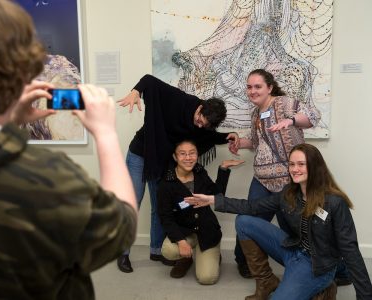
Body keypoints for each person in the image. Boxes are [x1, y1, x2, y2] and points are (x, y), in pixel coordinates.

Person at [0, 1, 137, 299]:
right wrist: (106, 135)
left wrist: (8, 119)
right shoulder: (45, 180)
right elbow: (122, 227)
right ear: (23, 71)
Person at [186, 143, 372, 300]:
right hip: (292, 249)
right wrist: (212, 200)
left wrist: (365, 296)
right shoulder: (288, 193)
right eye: (292, 164)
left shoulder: (334, 202)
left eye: (301, 164)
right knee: (244, 221)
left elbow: (350, 249)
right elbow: (252, 207)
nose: (295, 169)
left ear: (315, 167)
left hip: (316, 266)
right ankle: (267, 281)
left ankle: (324, 288)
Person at [116, 74, 239, 273]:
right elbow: (149, 80)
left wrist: (227, 137)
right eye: (199, 120)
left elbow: (207, 136)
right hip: (141, 153)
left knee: (159, 206)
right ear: (200, 107)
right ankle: (123, 253)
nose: (199, 126)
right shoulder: (180, 99)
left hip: (162, 160)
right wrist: (135, 92)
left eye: (203, 125)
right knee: (133, 202)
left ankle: (156, 250)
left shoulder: (203, 125)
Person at [230, 68, 321, 278]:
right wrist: (239, 143)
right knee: (249, 220)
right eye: (249, 87)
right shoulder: (256, 114)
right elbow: (255, 142)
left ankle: (315, 266)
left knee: (294, 227)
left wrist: (291, 121)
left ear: (269, 87)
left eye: (258, 86)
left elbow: (313, 115)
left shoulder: (283, 103)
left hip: (289, 181)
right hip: (261, 180)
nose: (252, 91)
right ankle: (244, 262)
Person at [157, 140, 244, 284]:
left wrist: (223, 168)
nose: (188, 157)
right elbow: (165, 217)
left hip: (206, 230)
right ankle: (186, 258)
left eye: (192, 153)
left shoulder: (200, 172)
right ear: (175, 157)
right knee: (168, 250)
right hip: (185, 232)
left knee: (207, 278)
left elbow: (217, 195)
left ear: (197, 155)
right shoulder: (166, 183)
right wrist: (181, 241)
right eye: (183, 154)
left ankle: (213, 254)